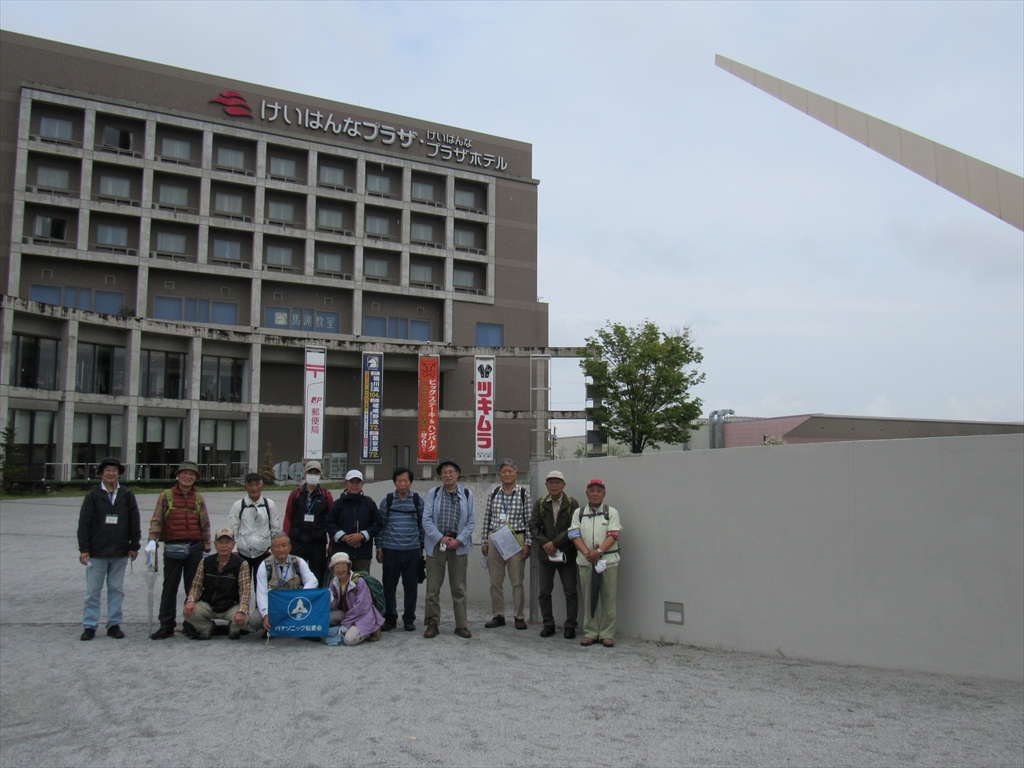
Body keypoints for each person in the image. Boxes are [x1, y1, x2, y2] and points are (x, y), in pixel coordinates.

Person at [145, 461, 211, 640]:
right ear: (178, 475)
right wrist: (152, 540)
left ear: (195, 478)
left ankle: (191, 625)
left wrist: (207, 548)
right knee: (170, 586)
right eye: (184, 473)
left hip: (194, 547)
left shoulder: (199, 499)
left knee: (193, 588)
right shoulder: (166, 496)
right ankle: (166, 624)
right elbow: (157, 520)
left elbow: (205, 524)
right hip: (173, 547)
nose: (187, 477)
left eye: (191, 474)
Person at [77, 456, 140, 641]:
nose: (111, 473)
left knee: (116, 589)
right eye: (107, 470)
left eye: (114, 470)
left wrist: (134, 545)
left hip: (120, 551)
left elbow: (134, 521)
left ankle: (114, 623)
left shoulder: (127, 495)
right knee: (93, 590)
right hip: (97, 551)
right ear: (101, 474)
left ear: (119, 474)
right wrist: (84, 548)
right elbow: (84, 523)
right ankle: (90, 625)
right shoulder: (93, 495)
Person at [421, 458, 475, 639]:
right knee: (433, 588)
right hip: (437, 545)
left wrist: (459, 540)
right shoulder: (434, 493)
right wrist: (440, 538)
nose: (448, 475)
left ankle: (461, 625)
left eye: (451, 472)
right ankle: (432, 623)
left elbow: (471, 521)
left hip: (458, 546)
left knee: (459, 587)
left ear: (458, 474)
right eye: (444, 472)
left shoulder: (467, 494)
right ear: (440, 476)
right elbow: (426, 520)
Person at [568, 478, 622, 647]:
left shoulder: (611, 512)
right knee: (588, 598)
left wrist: (598, 552)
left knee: (608, 598)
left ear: (604, 494)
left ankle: (606, 634)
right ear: (587, 493)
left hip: (608, 562)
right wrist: (588, 553)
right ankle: (590, 632)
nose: (595, 494)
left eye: (599, 491)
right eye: (592, 490)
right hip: (586, 562)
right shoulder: (579, 513)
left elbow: (614, 535)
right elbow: (573, 534)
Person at [481, 458, 532, 630]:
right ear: (499, 474)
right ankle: (498, 615)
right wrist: (484, 541)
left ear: (516, 473)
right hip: (496, 538)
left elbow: (529, 520)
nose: (507, 474)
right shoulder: (494, 493)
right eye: (504, 471)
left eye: (510, 471)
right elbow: (487, 518)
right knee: (495, 581)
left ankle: (519, 616)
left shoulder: (523, 494)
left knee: (517, 581)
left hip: (516, 538)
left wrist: (528, 543)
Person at [529, 470, 581, 639]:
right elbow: (533, 526)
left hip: (566, 555)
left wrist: (555, 543)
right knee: (544, 592)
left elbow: (574, 527)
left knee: (570, 591)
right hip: (546, 556)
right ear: (546, 485)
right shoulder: (540, 503)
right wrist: (546, 544)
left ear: (564, 485)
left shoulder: (572, 503)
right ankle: (548, 623)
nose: (554, 485)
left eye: (557, 482)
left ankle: (570, 625)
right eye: (550, 482)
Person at [374, 467, 425, 632]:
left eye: (406, 481)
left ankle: (409, 619)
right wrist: (379, 548)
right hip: (391, 550)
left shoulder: (418, 500)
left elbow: (422, 526)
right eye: (399, 481)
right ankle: (390, 618)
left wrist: (421, 548)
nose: (403, 484)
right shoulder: (387, 501)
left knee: (411, 587)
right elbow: (380, 527)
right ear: (394, 482)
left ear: (411, 482)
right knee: (389, 586)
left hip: (412, 550)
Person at [182, 529, 251, 640]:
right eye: (220, 542)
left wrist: (242, 611)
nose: (224, 546)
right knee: (188, 612)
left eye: (227, 542)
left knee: (245, 619)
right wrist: (190, 601)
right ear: (215, 544)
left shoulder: (242, 564)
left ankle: (233, 629)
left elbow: (245, 591)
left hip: (230, 606)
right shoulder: (205, 562)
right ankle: (208, 628)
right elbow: (196, 586)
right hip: (209, 605)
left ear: (233, 544)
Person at [249, 532, 319, 633]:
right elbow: (262, 593)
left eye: (284, 545)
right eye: (277, 546)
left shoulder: (298, 562)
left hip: (295, 604)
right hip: (274, 605)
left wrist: (302, 595)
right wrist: (265, 615)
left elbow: (313, 581)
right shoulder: (264, 566)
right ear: (271, 549)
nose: (281, 549)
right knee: (255, 620)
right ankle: (272, 626)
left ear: (290, 548)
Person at [282, 460, 333, 587]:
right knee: (296, 576)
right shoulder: (295, 494)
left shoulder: (326, 496)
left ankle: (316, 598)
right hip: (297, 542)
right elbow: (288, 517)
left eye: (316, 473)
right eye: (310, 473)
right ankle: (297, 598)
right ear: (305, 475)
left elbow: (331, 520)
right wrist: (286, 541)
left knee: (317, 576)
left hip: (318, 544)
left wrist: (332, 543)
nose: (313, 476)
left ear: (320, 475)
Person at [326, 469, 381, 573]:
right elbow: (329, 524)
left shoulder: (369, 503)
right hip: (342, 554)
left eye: (358, 482)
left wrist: (362, 535)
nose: (354, 485)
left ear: (362, 484)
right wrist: (344, 537)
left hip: (363, 554)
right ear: (346, 483)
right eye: (351, 482)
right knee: (341, 582)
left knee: (362, 581)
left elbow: (378, 523)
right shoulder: (338, 504)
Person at [228, 472, 281, 576]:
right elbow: (233, 529)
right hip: (243, 553)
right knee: (243, 582)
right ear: (245, 487)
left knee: (262, 582)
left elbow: (275, 528)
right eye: (250, 485)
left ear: (262, 486)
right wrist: (234, 549)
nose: (254, 488)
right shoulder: (238, 505)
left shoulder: (269, 505)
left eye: (257, 484)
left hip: (263, 552)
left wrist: (273, 548)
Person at [327, 552, 384, 645]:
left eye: (344, 565)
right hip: (347, 612)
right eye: (337, 566)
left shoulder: (359, 581)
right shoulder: (334, 582)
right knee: (326, 618)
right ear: (332, 569)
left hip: (362, 615)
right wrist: (332, 602)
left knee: (349, 640)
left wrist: (346, 623)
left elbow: (361, 607)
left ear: (348, 567)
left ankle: (373, 628)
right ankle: (352, 627)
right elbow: (335, 604)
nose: (340, 569)